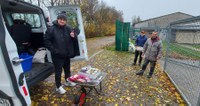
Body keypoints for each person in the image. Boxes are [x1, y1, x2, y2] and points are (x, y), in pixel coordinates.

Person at [44, 13, 79, 94]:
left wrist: (73, 36)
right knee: (58, 71)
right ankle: (58, 86)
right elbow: (46, 41)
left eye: (64, 20)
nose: (62, 21)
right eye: (60, 19)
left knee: (67, 70)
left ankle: (67, 81)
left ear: (66, 21)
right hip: (57, 55)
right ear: (57, 19)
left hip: (67, 54)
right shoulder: (51, 29)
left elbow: (74, 36)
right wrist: (54, 50)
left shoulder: (68, 28)